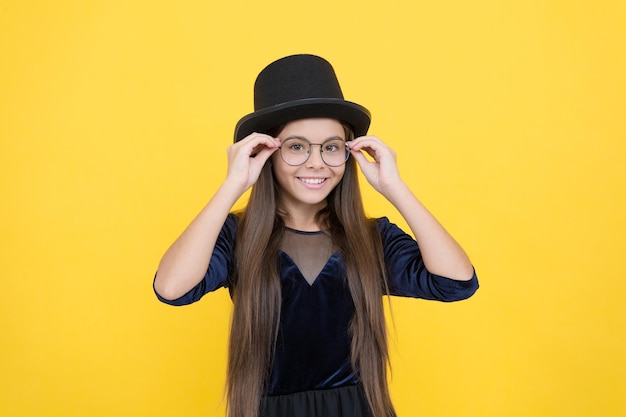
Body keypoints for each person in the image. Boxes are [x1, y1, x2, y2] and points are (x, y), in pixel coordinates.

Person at [153, 54, 478, 417]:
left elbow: (457, 282)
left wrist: (395, 187)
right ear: (266, 153)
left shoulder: (371, 238)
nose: (316, 161)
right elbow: (172, 289)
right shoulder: (238, 237)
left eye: (331, 147)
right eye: (296, 146)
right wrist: (233, 185)